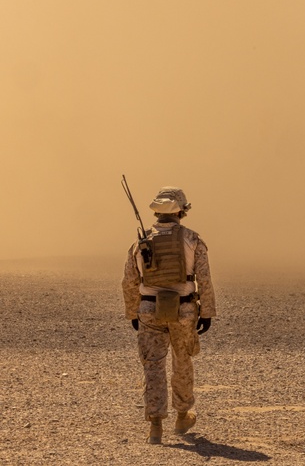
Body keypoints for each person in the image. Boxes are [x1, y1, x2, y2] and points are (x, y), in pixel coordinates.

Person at [121, 186, 216, 444]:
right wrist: (206, 312)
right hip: (184, 309)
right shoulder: (193, 239)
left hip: (149, 310)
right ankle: (182, 416)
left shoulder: (139, 244)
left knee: (153, 365)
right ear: (182, 211)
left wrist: (132, 312)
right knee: (182, 361)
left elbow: (129, 282)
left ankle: (155, 427)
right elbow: (204, 279)